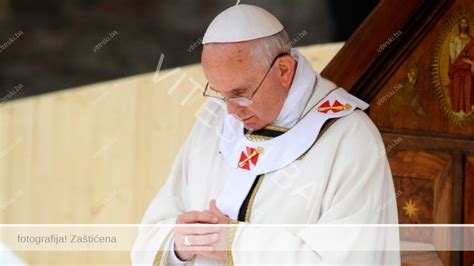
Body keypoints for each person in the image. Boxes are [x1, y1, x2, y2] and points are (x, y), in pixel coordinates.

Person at [131, 3, 400, 265]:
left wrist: (235, 242)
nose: (232, 111)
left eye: (240, 93)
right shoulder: (214, 120)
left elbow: (352, 258)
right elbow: (152, 232)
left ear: (284, 70)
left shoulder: (349, 139)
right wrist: (179, 245)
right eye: (220, 94)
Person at [449, 17, 474, 113]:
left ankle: (467, 109)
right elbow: (453, 58)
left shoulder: (472, 41)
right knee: (456, 89)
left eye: (465, 23)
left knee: (468, 89)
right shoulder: (455, 39)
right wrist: (451, 43)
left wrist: (470, 62)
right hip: (457, 68)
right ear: (459, 25)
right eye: (462, 23)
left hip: (467, 69)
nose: (463, 25)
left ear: (467, 25)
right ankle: (456, 109)